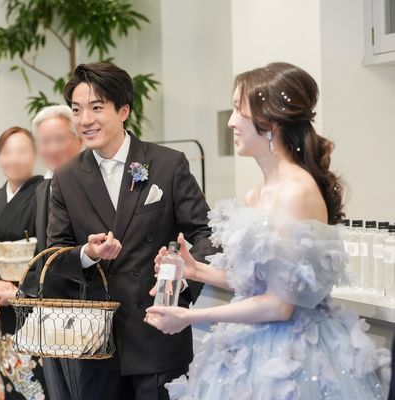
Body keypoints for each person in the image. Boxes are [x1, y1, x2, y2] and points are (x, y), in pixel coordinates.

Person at [145, 62, 392, 399]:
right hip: (253, 345)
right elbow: (261, 283)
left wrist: (190, 316)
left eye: (239, 110)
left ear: (270, 122)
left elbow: (280, 305)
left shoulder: (296, 192)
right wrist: (196, 269)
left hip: (292, 354)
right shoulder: (257, 193)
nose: (231, 121)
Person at [46, 62, 216, 400]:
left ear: (123, 111)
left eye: (96, 108)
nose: (85, 120)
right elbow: (55, 254)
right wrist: (87, 254)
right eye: (76, 110)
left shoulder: (167, 164)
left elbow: (207, 234)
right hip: (97, 342)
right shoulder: (66, 177)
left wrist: (182, 280)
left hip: (158, 334)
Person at [0, 127, 46, 400]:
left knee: (38, 375)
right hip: (2, 299)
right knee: (8, 366)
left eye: (21, 151)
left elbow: (49, 248)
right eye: (6, 152)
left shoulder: (45, 194)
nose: (13, 158)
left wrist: (21, 290)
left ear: (34, 154)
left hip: (34, 299)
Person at [19, 105, 84, 399]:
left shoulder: (88, 182)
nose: (52, 148)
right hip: (50, 310)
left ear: (79, 139)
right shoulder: (42, 187)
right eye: (45, 141)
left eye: (59, 139)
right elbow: (43, 252)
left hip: (83, 309)